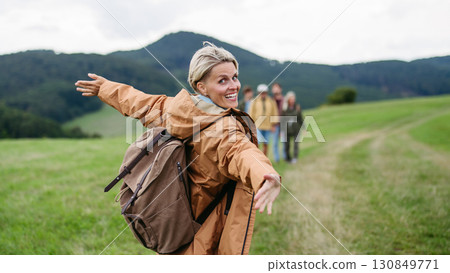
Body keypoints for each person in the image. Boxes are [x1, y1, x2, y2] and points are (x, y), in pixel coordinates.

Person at [75, 42, 281, 255]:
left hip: (180, 226)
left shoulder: (179, 109)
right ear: (201, 87)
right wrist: (266, 175)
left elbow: (140, 102)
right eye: (222, 80)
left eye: (234, 77)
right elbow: (239, 152)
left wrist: (105, 88)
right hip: (206, 236)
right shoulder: (222, 128)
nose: (234, 85)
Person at [249, 84, 279, 157]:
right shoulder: (254, 101)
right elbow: (251, 113)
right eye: (261, 92)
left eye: (264, 92)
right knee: (257, 143)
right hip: (257, 126)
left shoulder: (271, 101)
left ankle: (265, 159)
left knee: (266, 143)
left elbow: (274, 113)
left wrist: (273, 125)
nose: (263, 94)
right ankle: (258, 158)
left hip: (268, 126)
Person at [281, 91, 303, 164]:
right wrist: (282, 130)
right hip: (287, 129)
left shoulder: (297, 107)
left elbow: (300, 118)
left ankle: (295, 158)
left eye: (293, 98)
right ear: (288, 99)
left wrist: (303, 127)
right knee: (287, 144)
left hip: (296, 128)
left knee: (296, 144)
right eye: (291, 98)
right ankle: (288, 158)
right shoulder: (284, 108)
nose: (293, 100)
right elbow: (282, 119)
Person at [271, 82, 284, 163]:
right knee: (275, 143)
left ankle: (285, 157)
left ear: (280, 89)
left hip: (283, 123)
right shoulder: (271, 100)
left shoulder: (284, 99)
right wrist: (272, 124)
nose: (275, 89)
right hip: (275, 125)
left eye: (277, 88)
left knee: (284, 142)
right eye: (274, 88)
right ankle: (277, 160)